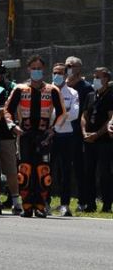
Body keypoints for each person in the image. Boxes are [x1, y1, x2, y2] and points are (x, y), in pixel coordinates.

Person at [4, 55, 66, 218]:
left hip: (44, 136)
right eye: (34, 68)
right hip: (24, 135)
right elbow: (7, 111)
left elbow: (62, 113)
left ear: (43, 70)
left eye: (39, 68)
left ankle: (40, 206)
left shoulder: (53, 90)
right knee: (24, 171)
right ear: (28, 69)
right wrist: (13, 127)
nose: (37, 71)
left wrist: (54, 130)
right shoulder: (19, 89)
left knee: (43, 172)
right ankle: (26, 206)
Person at [0, 56, 22, 214]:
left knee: (11, 169)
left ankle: (16, 201)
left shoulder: (11, 87)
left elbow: (11, 109)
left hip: (6, 134)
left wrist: (0, 113)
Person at [65, 56, 96, 213]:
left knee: (79, 168)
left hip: (77, 133)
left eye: (72, 65)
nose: (69, 67)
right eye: (67, 65)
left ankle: (83, 200)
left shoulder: (86, 88)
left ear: (79, 68)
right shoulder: (61, 86)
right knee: (62, 168)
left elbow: (87, 112)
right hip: (62, 132)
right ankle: (63, 201)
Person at [80, 67, 113, 213]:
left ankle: (107, 204)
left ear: (106, 79)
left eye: (98, 77)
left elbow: (111, 118)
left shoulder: (111, 95)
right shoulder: (90, 95)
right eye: (94, 77)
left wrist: (98, 134)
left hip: (104, 140)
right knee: (88, 172)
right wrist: (84, 132)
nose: (95, 80)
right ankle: (90, 203)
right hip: (89, 140)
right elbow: (84, 116)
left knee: (104, 173)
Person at [50, 63, 80, 216]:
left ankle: (65, 204)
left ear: (66, 74)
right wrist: (64, 112)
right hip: (49, 136)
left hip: (66, 136)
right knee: (46, 169)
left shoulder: (73, 93)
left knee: (65, 172)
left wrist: (57, 114)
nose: (57, 75)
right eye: (55, 72)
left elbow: (74, 114)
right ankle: (44, 202)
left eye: (60, 72)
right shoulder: (46, 91)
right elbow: (45, 113)